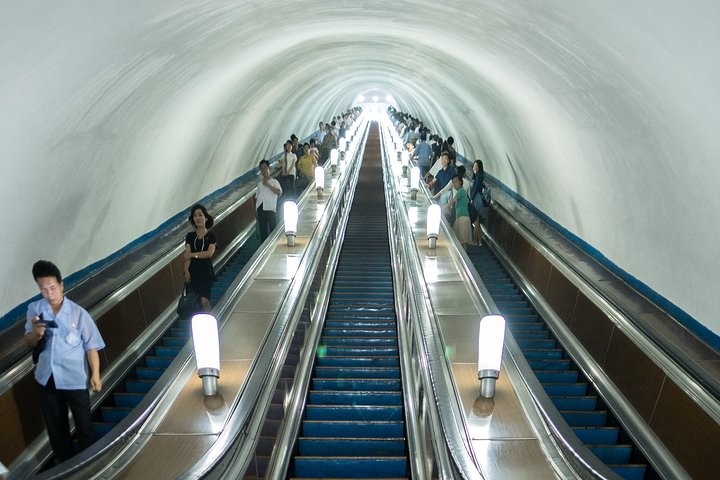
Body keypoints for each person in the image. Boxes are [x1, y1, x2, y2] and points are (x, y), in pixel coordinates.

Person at [24, 260, 105, 463]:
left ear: (61, 285)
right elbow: (29, 341)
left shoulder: (78, 313)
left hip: (74, 378)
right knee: (56, 427)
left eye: (52, 288)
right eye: (43, 289)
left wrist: (95, 374)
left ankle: (89, 463)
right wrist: (36, 334)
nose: (48, 293)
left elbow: (91, 346)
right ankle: (66, 466)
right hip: (47, 377)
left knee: (84, 424)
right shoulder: (35, 310)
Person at [183, 204, 217, 312]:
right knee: (195, 302)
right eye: (195, 216)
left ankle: (211, 323)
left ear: (206, 218)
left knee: (204, 301)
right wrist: (186, 270)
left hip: (205, 272)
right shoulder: (190, 236)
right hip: (193, 272)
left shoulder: (211, 236)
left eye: (200, 215)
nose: (197, 218)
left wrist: (193, 255)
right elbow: (186, 255)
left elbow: (209, 253)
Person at [255, 159, 282, 242]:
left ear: (268, 168)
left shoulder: (274, 182)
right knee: (263, 231)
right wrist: (256, 212)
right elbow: (257, 198)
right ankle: (263, 249)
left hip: (270, 209)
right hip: (260, 209)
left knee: (273, 229)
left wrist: (268, 185)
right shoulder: (259, 184)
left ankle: (274, 246)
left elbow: (279, 192)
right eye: (261, 168)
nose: (264, 170)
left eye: (265, 167)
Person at [444, 174, 472, 251]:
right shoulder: (460, 192)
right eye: (453, 182)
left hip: (463, 218)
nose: (454, 184)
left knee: (463, 240)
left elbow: (452, 201)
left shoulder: (461, 191)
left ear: (460, 182)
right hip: (459, 217)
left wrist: (442, 208)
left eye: (456, 182)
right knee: (458, 239)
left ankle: (465, 259)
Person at [470, 159, 487, 245]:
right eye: (474, 166)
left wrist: (471, 198)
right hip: (477, 198)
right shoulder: (478, 176)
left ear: (480, 167)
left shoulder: (479, 176)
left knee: (476, 221)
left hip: (477, 199)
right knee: (478, 222)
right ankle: (479, 241)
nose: (475, 168)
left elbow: (476, 188)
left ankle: (474, 240)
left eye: (476, 167)